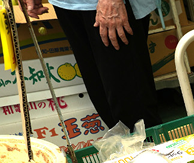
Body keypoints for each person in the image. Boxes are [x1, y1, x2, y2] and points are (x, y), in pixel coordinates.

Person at [24, 0, 161, 129]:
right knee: (103, 100)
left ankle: (149, 149)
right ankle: (129, 150)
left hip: (109, 5)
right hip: (67, 5)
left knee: (134, 110)